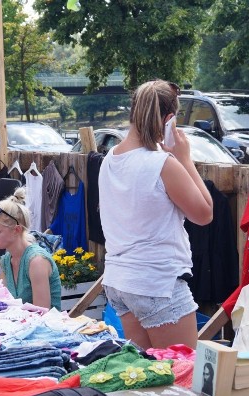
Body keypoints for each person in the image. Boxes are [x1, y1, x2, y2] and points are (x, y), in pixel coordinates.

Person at [99, 79, 214, 350]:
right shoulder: (162, 164)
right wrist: (185, 159)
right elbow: (204, 213)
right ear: (169, 119)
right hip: (156, 282)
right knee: (180, 374)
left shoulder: (109, 159)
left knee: (146, 373)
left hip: (120, 281)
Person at [0, 189, 62, 310]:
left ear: (17, 230)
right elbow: (6, 306)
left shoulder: (36, 261)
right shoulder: (5, 261)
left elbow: (41, 313)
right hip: (21, 324)